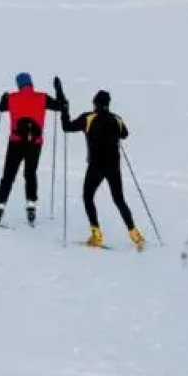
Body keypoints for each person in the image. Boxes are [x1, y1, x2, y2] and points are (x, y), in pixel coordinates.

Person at [53, 77, 144, 250]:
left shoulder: (88, 118)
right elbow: (125, 134)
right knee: (119, 200)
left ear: (94, 103)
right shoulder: (116, 119)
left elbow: (66, 127)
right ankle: (135, 235)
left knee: (88, 197)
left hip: (96, 166)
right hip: (113, 166)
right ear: (108, 104)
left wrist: (64, 110)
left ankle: (96, 234)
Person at [0, 72, 65, 226]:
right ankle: (31, 206)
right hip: (35, 143)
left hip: (16, 142)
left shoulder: (12, 98)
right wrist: (59, 90)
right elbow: (61, 106)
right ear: (31, 83)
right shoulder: (42, 97)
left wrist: (3, 98)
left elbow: (0, 108)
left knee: (8, 175)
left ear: (19, 85)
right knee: (30, 173)